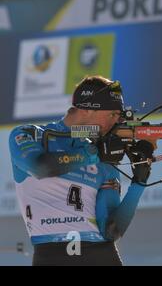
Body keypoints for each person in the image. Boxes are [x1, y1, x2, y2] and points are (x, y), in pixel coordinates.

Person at [8, 76, 153, 266]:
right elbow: (41, 167)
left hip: (102, 256)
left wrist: (139, 181)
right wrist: (92, 155)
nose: (116, 121)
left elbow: (111, 231)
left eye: (119, 116)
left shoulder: (104, 155)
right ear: (85, 109)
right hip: (51, 256)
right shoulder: (30, 134)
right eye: (111, 114)